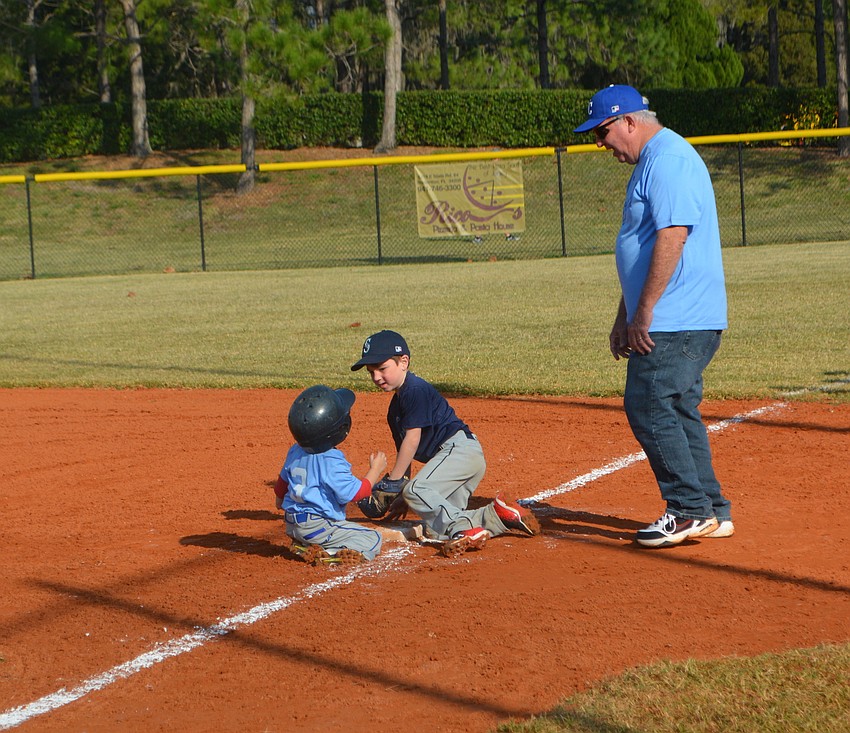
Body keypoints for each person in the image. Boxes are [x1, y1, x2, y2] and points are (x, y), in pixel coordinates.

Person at [573, 85, 734, 548]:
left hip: (675, 317)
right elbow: (640, 249)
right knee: (678, 408)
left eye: (602, 132)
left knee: (647, 405)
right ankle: (711, 510)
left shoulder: (668, 158)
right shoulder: (654, 160)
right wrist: (625, 312)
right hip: (673, 314)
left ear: (629, 121)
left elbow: (673, 235)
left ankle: (686, 509)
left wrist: (643, 312)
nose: (601, 143)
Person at [350, 329, 539, 557]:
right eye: (371, 372)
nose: (376, 377)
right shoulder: (395, 410)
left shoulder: (415, 390)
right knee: (437, 529)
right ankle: (498, 516)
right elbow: (405, 452)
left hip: (459, 452)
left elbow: (413, 439)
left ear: (403, 362)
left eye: (382, 369)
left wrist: (395, 481)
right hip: (456, 462)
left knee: (417, 491)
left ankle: (462, 529)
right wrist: (401, 495)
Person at [274, 384, 388, 565]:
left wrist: (280, 502)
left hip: (292, 524)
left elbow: (281, 485)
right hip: (318, 527)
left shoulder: (295, 450)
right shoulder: (331, 459)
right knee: (373, 538)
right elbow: (357, 493)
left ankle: (303, 544)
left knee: (325, 528)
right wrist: (375, 469)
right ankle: (331, 553)